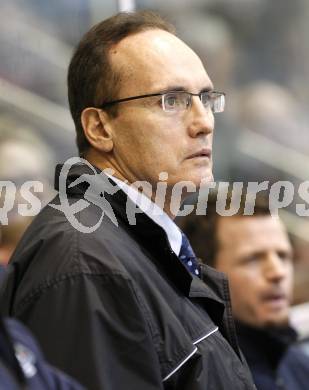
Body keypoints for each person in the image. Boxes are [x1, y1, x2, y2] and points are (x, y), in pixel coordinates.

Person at [0, 11, 255, 390]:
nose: (205, 122)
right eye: (173, 100)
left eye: (205, 97)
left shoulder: (135, 246)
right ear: (100, 128)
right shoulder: (84, 261)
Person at [179, 191, 309, 389]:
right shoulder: (198, 378)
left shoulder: (296, 362)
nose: (277, 273)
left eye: (283, 256)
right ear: (205, 273)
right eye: (253, 259)